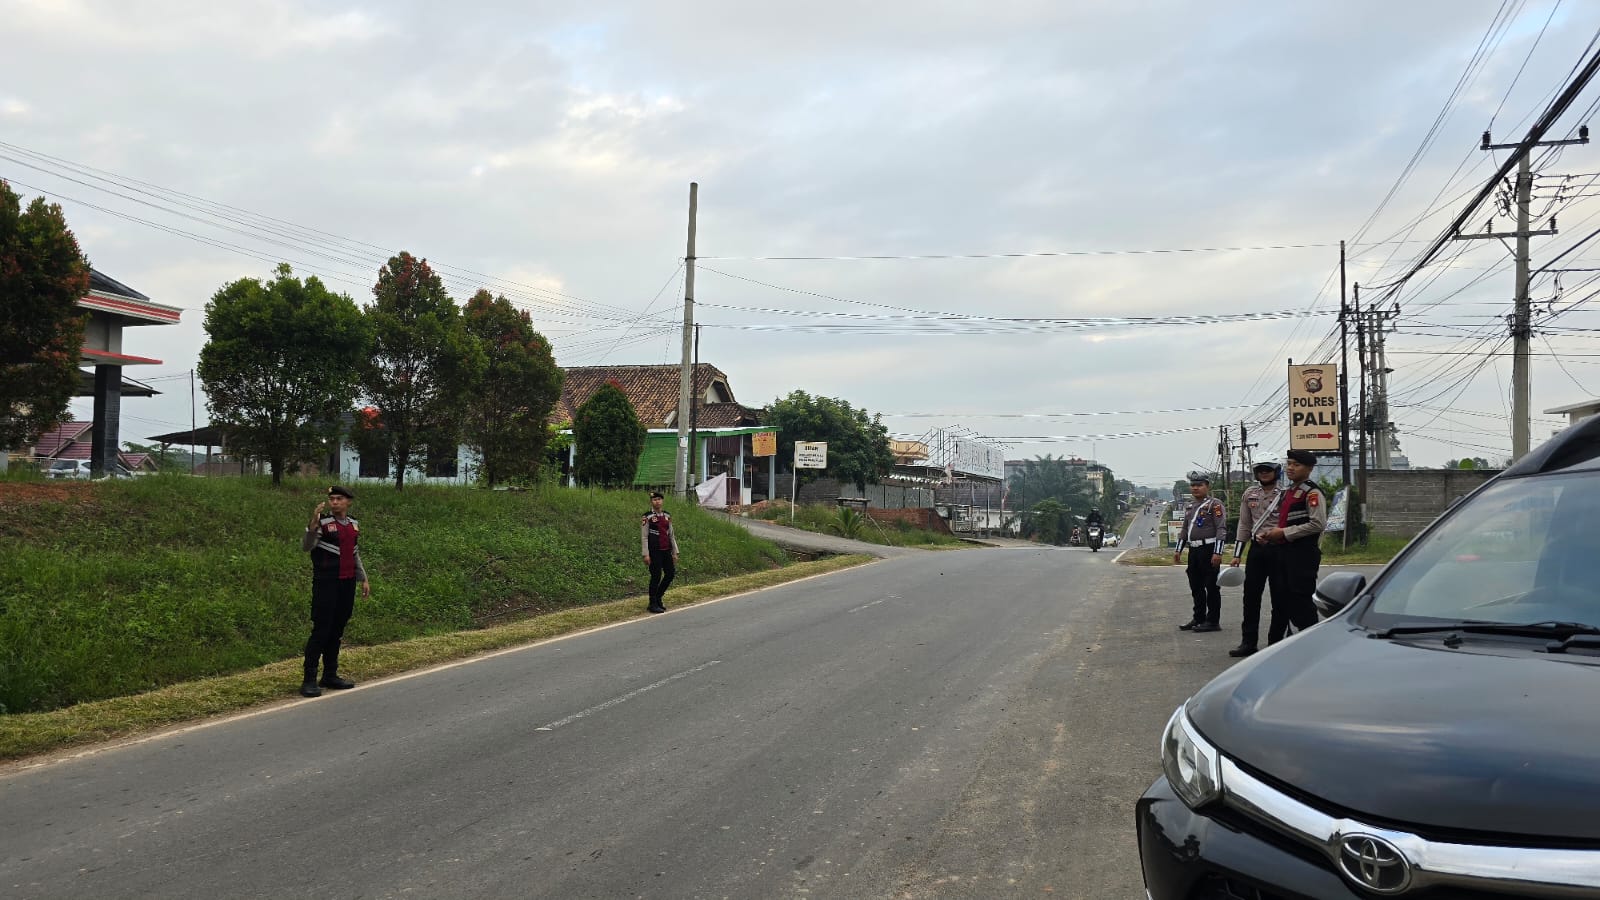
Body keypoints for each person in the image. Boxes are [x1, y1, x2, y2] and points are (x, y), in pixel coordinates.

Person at [300, 485, 370, 697]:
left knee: (337, 630)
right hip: (326, 583)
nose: (335, 502)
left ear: (349, 501)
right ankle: (309, 679)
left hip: (346, 583)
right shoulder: (322, 523)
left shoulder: (353, 524)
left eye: (339, 498)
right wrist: (312, 524)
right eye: (332, 499)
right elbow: (306, 546)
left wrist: (364, 579)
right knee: (321, 630)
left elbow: (354, 553)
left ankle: (330, 675)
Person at [1261, 449, 1327, 643]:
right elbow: (1286, 522)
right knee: (1282, 601)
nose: (1290, 468)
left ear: (1309, 468)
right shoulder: (1289, 492)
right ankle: (1278, 644)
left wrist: (1284, 534)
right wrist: (1270, 534)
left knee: (1301, 602)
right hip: (1284, 553)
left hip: (1303, 555)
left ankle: (1312, 645)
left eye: (1296, 464)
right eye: (1289, 463)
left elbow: (1317, 524)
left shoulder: (1311, 492)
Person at [1226, 461, 1283, 657]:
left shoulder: (1285, 493)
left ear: (1276, 471)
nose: (1264, 473)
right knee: (1250, 598)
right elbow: (1244, 524)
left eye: (1268, 469)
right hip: (1256, 551)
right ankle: (1248, 642)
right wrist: (1236, 555)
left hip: (1280, 549)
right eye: (1260, 470)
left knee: (1279, 598)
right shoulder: (1250, 494)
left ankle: (1275, 643)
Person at [1174, 474, 1227, 632]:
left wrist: (1218, 552)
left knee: (1211, 586)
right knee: (1195, 585)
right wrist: (1178, 549)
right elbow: (1184, 529)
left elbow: (1221, 528)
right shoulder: (1190, 506)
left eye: (1200, 485)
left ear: (1207, 486)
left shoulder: (1214, 505)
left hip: (1209, 549)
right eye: (1193, 485)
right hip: (1194, 550)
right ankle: (1198, 618)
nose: (1195, 488)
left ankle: (1213, 621)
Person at [642, 490, 680, 613]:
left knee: (670, 574)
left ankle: (658, 597)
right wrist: (646, 554)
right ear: (651, 502)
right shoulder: (647, 516)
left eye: (659, 499)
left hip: (666, 550)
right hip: (654, 551)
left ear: (662, 501)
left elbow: (671, 535)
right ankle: (652, 603)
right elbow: (644, 536)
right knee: (656, 576)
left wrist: (675, 551)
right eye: (654, 500)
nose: (657, 501)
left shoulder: (667, 516)